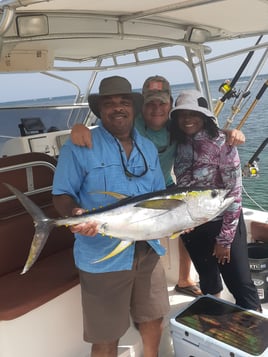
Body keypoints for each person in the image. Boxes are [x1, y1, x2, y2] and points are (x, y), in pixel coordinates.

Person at [70, 75, 246, 298]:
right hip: (138, 192)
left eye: (162, 103)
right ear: (140, 106)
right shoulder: (132, 123)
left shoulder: (177, 125)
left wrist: (229, 133)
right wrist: (79, 127)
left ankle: (185, 278)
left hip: (165, 185)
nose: (156, 109)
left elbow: (204, 130)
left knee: (184, 222)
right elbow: (109, 125)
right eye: (150, 103)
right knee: (178, 225)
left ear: (170, 105)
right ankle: (184, 278)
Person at [52, 76, 170, 357]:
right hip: (102, 255)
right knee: (106, 335)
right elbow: (61, 194)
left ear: (134, 108)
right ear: (100, 110)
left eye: (124, 102)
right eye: (110, 103)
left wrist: (183, 220)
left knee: (153, 318)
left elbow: (159, 198)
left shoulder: (148, 148)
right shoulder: (79, 145)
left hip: (148, 249)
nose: (118, 108)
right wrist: (74, 214)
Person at [169, 89, 261, 311]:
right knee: (208, 279)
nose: (188, 119)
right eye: (182, 114)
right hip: (193, 225)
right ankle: (217, 323)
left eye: (193, 113)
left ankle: (257, 332)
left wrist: (225, 239)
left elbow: (234, 193)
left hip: (223, 224)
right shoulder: (177, 143)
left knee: (240, 283)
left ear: (204, 116)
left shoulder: (223, 143)